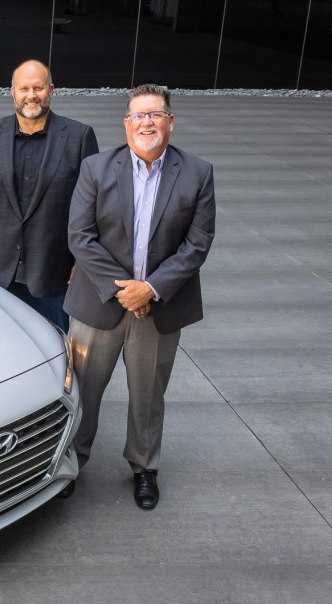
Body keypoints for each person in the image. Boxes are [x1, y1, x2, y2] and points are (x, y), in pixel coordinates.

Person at [64, 84, 216, 509]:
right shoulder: (96, 167)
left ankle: (144, 468)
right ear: (126, 123)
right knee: (84, 391)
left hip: (159, 307)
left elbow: (197, 244)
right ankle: (71, 463)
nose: (146, 122)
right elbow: (80, 235)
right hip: (98, 303)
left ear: (170, 121)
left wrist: (150, 289)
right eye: (138, 115)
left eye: (155, 114)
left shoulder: (198, 173)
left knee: (148, 395)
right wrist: (126, 291)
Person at [0, 59, 98, 335]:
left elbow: (92, 207)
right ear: (13, 92)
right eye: (24, 88)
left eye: (39, 88)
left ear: (51, 90)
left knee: (55, 348)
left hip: (53, 273)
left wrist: (83, 261)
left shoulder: (79, 137)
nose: (31, 95)